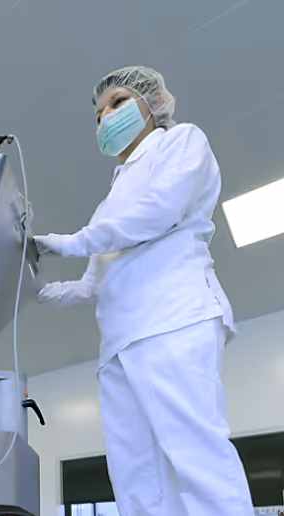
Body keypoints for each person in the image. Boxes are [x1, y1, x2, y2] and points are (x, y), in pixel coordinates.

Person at [33, 66, 254, 516]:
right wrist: (27, 289)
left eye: (117, 102)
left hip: (174, 317)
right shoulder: (110, 200)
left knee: (196, 457)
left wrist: (68, 242)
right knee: (136, 478)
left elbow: (160, 211)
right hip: (119, 345)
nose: (105, 117)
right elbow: (91, 286)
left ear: (153, 102)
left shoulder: (181, 142)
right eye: (98, 114)